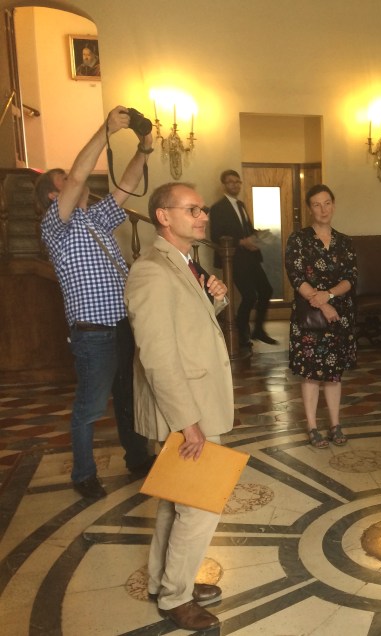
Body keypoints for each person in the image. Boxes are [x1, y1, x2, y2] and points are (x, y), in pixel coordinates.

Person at [125, 182, 233, 631]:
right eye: (192, 209)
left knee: (177, 501)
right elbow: (158, 356)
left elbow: (192, 326)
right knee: (200, 507)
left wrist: (217, 297)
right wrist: (188, 422)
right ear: (163, 216)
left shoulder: (186, 263)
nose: (203, 216)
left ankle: (162, 581)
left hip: (196, 401)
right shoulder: (151, 270)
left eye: (203, 209)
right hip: (186, 409)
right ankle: (175, 596)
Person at [37, 105, 155, 500]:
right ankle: (83, 473)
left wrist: (144, 148)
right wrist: (105, 131)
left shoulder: (95, 219)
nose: (77, 179)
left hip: (121, 325)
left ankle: (137, 457)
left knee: (128, 398)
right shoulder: (56, 226)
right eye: (64, 180)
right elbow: (77, 176)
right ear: (53, 195)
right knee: (89, 408)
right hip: (93, 334)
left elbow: (126, 185)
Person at [284, 184, 357, 448]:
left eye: (327, 203)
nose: (323, 209)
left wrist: (329, 295)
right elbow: (296, 277)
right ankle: (313, 427)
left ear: (333, 205)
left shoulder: (345, 242)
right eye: (316, 204)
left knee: (334, 374)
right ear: (309, 209)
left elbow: (351, 278)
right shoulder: (298, 240)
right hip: (310, 316)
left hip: (340, 314)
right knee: (311, 373)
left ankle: (335, 425)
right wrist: (322, 302)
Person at [209, 169, 276, 348]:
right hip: (234, 259)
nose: (235, 185)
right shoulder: (218, 208)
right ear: (224, 185)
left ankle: (259, 330)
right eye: (230, 182)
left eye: (237, 182)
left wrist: (257, 237)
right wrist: (241, 242)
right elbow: (216, 236)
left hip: (251, 256)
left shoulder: (241, 205)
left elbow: (246, 229)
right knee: (249, 296)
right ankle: (241, 333)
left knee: (266, 290)